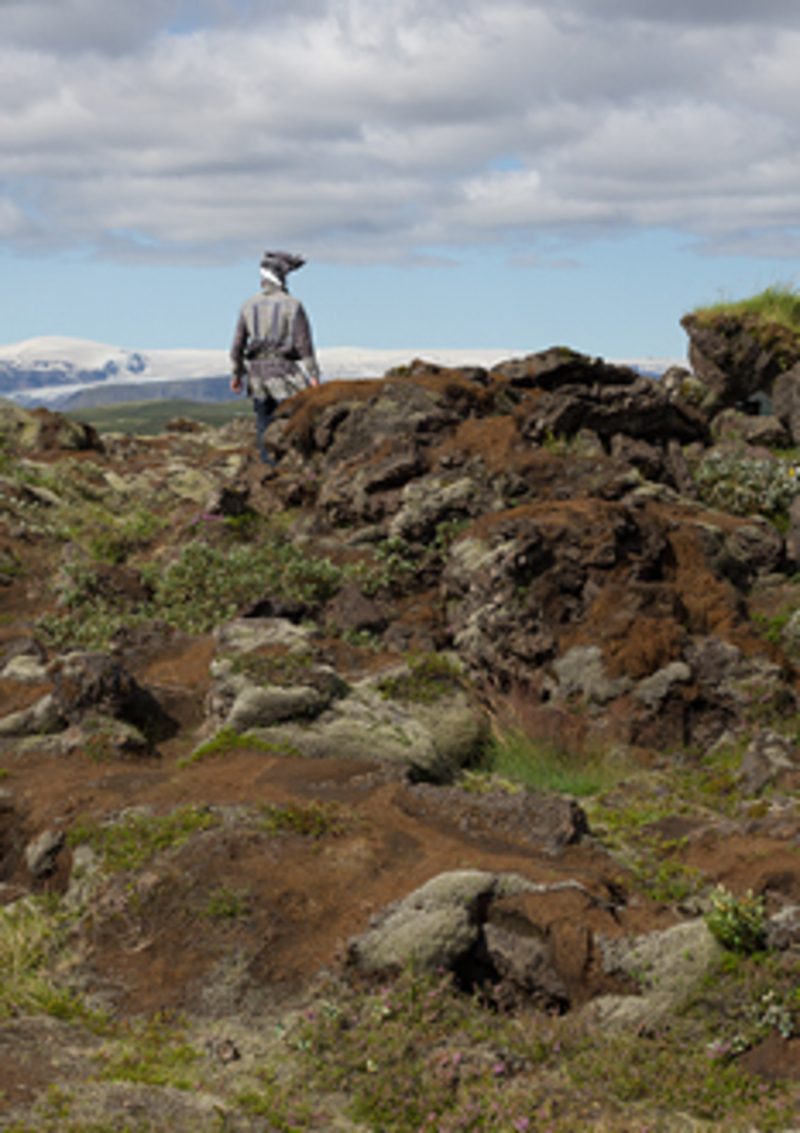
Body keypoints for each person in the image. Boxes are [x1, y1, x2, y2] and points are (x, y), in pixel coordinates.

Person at [230, 251, 320, 465]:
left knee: (264, 420)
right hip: (285, 370)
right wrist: (313, 375)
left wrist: (237, 374)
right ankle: (295, 463)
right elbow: (304, 344)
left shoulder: (247, 306)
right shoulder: (293, 305)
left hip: (257, 373)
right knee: (295, 417)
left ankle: (268, 466)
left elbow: (237, 346)